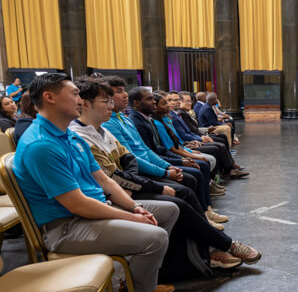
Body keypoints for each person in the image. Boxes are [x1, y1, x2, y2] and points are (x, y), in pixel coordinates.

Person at [13, 73, 180, 292]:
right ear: (49, 97)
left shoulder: (70, 136)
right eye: (74, 94)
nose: (80, 100)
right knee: (155, 237)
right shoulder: (41, 145)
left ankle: (141, 281)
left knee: (168, 211)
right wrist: (131, 216)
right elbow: (77, 204)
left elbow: (104, 180)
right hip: (66, 227)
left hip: (95, 211)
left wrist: (134, 206)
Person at [69, 79, 261, 273]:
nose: (112, 104)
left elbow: (130, 158)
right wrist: (157, 181)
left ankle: (209, 249)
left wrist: (155, 172)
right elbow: (111, 176)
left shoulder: (102, 130)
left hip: (125, 187)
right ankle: (217, 249)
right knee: (179, 198)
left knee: (184, 191)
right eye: (106, 101)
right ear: (85, 103)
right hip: (114, 196)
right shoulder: (80, 135)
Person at [101, 77, 226, 228]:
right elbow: (132, 159)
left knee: (200, 167)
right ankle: (204, 220)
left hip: (150, 163)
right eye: (164, 101)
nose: (125, 95)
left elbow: (146, 149)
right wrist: (167, 170)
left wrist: (168, 166)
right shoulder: (121, 122)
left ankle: (206, 213)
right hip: (138, 173)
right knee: (189, 182)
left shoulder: (126, 120)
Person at [126, 87, 214, 214]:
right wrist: (172, 166)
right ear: (137, 102)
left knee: (202, 163)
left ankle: (206, 208)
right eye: (166, 102)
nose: (171, 104)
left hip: (161, 158)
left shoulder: (150, 120)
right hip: (149, 166)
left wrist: (182, 157)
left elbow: (159, 148)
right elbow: (148, 153)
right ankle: (204, 211)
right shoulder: (138, 121)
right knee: (194, 174)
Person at [167, 91, 246, 179]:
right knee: (217, 146)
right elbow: (184, 135)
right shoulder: (177, 115)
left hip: (193, 138)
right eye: (172, 100)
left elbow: (192, 131)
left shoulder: (178, 114)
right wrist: (200, 139)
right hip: (189, 142)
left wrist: (203, 135)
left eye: (177, 100)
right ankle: (224, 172)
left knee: (221, 139)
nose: (176, 102)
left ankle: (229, 166)